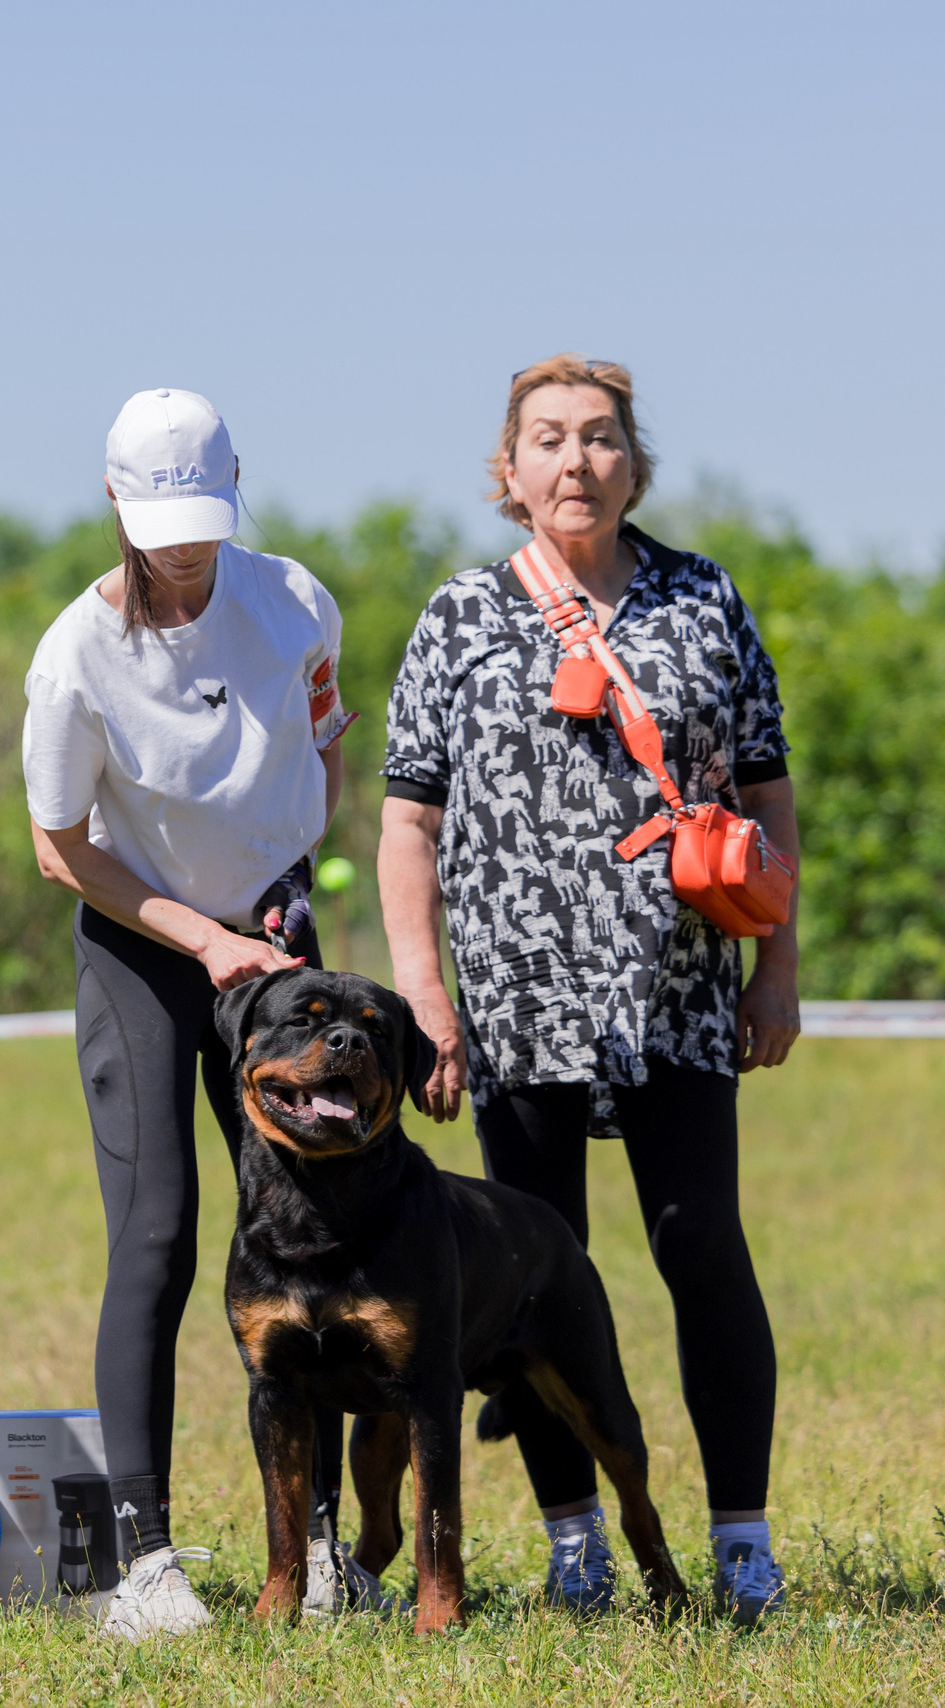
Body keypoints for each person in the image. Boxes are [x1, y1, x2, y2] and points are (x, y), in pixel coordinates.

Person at [377, 354, 796, 1623]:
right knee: (526, 1281)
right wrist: (422, 995)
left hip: (673, 988)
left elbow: (767, 795)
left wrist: (777, 970)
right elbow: (408, 823)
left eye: (601, 438)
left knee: (701, 1250)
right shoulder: (460, 615)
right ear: (508, 471)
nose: (576, 461)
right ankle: (574, 1546)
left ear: (634, 463)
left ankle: (738, 1543)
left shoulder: (701, 599)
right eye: (548, 439)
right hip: (512, 1001)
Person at [21, 389, 367, 1639]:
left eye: (204, 519)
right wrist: (204, 938)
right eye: (160, 521)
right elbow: (61, 848)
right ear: (113, 500)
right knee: (157, 1230)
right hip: (145, 947)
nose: (183, 546)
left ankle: (320, 1547)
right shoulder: (75, 655)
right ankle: (143, 1561)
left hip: (273, 945)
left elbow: (325, 740)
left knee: (314, 1233)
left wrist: (282, 887)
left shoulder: (295, 600)